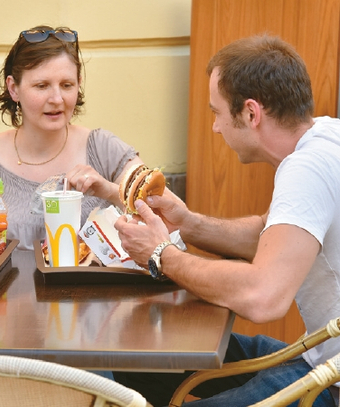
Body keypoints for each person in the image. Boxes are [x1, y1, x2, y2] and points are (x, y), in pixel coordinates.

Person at [113, 34, 340, 407]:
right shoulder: (325, 136)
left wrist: (161, 254)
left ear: (251, 113)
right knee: (144, 362)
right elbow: (269, 239)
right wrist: (186, 223)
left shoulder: (306, 169)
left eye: (217, 113)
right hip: (320, 357)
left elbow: (263, 296)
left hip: (329, 384)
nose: (215, 128)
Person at [0, 25, 143, 251]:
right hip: (5, 287)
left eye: (66, 85)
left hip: (95, 287)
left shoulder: (103, 149)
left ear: (79, 83)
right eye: (42, 86)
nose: (57, 98)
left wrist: (107, 190)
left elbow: (161, 213)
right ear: (13, 88)